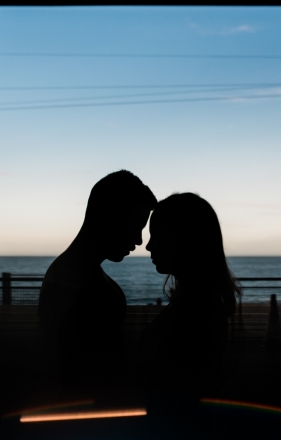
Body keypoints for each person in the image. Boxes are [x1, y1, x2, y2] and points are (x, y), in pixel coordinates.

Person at [38, 170, 157, 398]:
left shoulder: (69, 274)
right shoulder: (75, 284)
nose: (140, 240)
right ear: (111, 218)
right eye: (136, 225)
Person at [139, 192, 240, 399]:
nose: (148, 246)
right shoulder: (199, 303)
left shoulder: (196, 312)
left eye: (157, 236)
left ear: (183, 240)